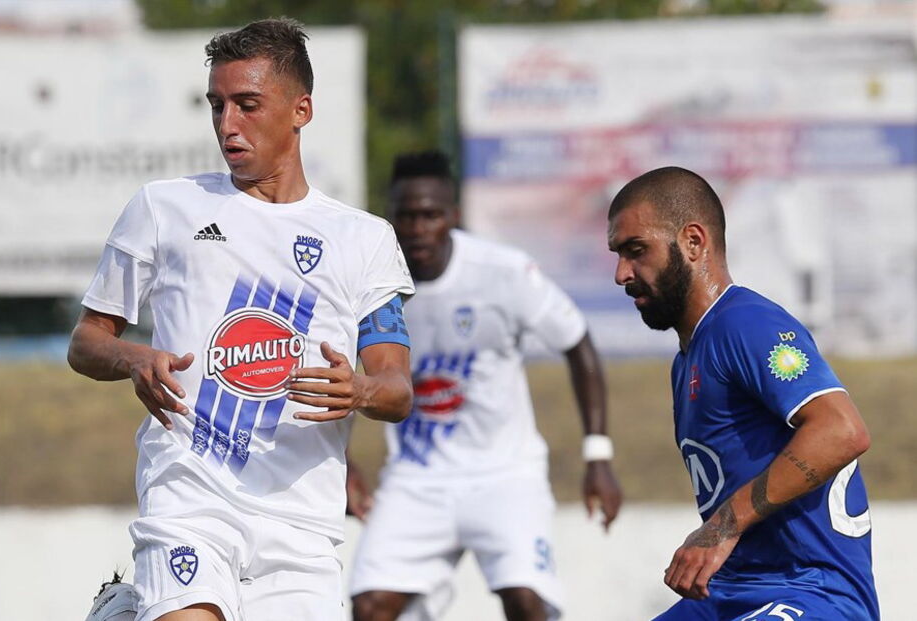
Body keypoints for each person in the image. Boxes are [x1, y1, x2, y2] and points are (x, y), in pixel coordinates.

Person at [70, 18, 415, 621]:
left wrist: (360, 389)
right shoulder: (164, 207)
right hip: (188, 494)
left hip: (301, 523)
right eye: (217, 105)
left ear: (301, 110)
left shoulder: (365, 240)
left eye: (247, 105)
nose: (227, 123)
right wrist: (133, 357)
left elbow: (397, 388)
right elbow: (86, 341)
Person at [348, 150, 622, 621]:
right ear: (390, 217)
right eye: (406, 216)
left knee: (527, 602)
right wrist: (346, 465)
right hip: (417, 477)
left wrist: (597, 454)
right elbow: (331, 367)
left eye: (430, 215)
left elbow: (577, 342)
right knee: (370, 607)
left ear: (453, 215)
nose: (417, 229)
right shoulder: (372, 285)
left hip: (505, 474)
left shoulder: (503, 272)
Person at [606, 166, 879, 620]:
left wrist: (721, 527)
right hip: (730, 593)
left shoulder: (744, 324)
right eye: (618, 254)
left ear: (693, 242)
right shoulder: (687, 359)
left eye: (636, 251)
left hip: (811, 593)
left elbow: (842, 430)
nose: (621, 274)